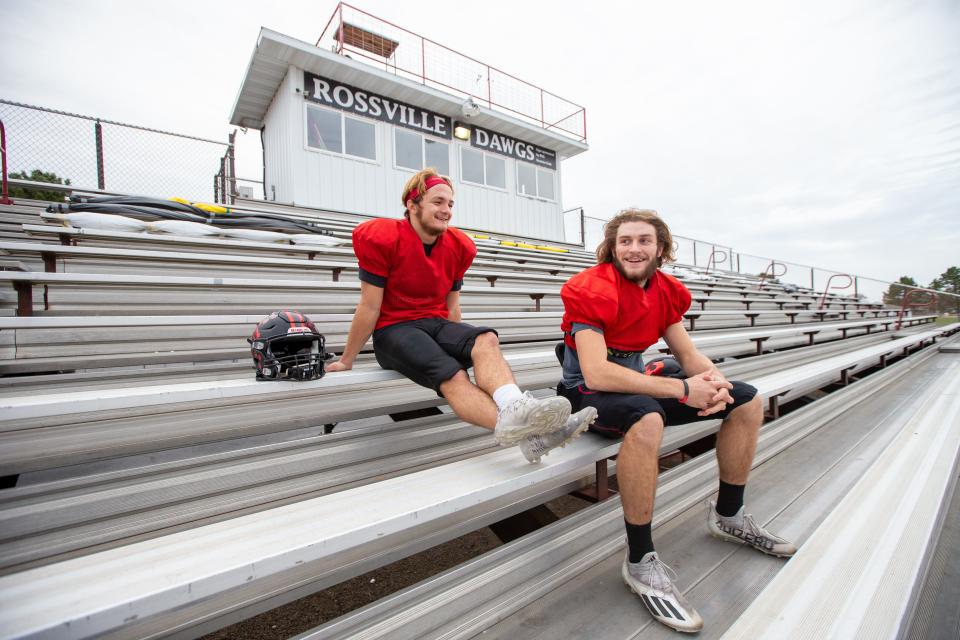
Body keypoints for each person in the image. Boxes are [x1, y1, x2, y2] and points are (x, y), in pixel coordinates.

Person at [557, 208, 796, 633]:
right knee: (647, 418)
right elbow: (597, 373)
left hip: (637, 382)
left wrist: (715, 382)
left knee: (747, 400)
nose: (634, 248)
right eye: (625, 240)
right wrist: (686, 390)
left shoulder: (666, 290)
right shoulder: (590, 288)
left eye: (643, 240)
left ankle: (729, 515)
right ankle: (640, 561)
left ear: (661, 248)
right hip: (587, 392)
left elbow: (687, 355)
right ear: (612, 248)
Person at [327, 168, 596, 457]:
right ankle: (538, 434)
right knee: (453, 375)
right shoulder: (384, 237)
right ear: (412, 204)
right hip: (395, 330)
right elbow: (370, 306)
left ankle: (516, 409)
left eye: (450, 204)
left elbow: (452, 306)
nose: (446, 210)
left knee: (486, 339)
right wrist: (347, 359)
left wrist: (458, 346)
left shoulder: (457, 245)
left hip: (435, 323)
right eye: (437, 202)